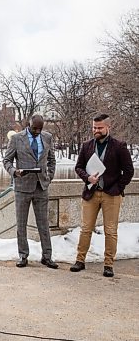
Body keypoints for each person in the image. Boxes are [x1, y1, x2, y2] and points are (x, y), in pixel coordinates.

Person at [70, 113, 134, 277]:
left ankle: (108, 264)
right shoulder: (86, 146)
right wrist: (87, 178)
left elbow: (128, 171)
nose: (96, 130)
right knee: (85, 229)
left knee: (111, 231)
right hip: (91, 193)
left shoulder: (119, 146)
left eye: (99, 128)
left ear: (108, 127)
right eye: (94, 127)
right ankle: (80, 261)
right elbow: (78, 167)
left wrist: (118, 188)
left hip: (111, 194)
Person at [3, 115, 58, 269]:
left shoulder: (47, 137)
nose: (37, 131)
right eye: (35, 128)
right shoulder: (16, 139)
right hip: (22, 187)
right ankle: (23, 255)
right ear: (29, 125)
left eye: (40, 129)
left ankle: (47, 256)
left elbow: (51, 160)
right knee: (21, 224)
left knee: (44, 224)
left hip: (41, 187)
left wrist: (49, 177)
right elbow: (6, 161)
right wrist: (14, 172)